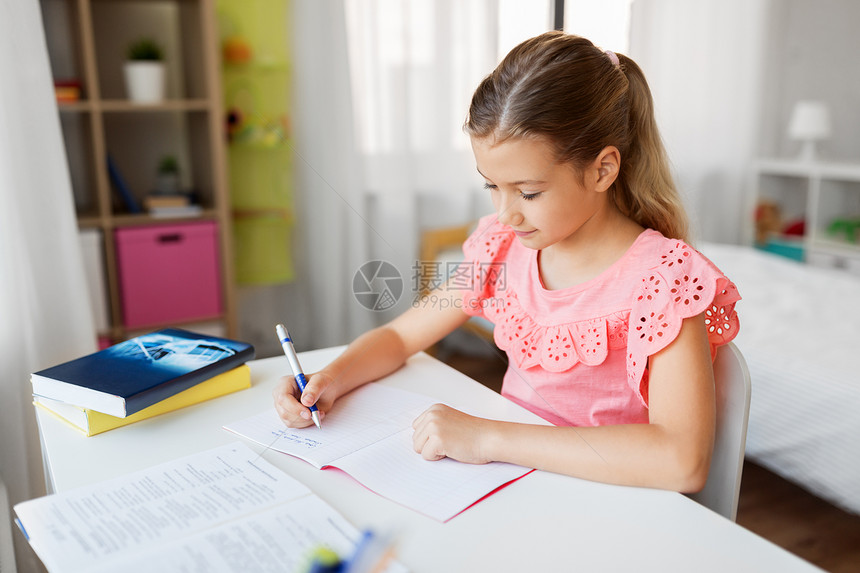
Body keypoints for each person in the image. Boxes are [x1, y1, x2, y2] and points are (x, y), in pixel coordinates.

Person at [273, 31, 740, 492]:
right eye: (492, 186)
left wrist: (489, 437)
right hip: (513, 486)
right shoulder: (503, 247)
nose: (504, 213)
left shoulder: (663, 279)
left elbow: (682, 460)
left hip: (607, 503)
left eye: (529, 192)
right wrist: (330, 377)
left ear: (602, 169)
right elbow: (400, 335)